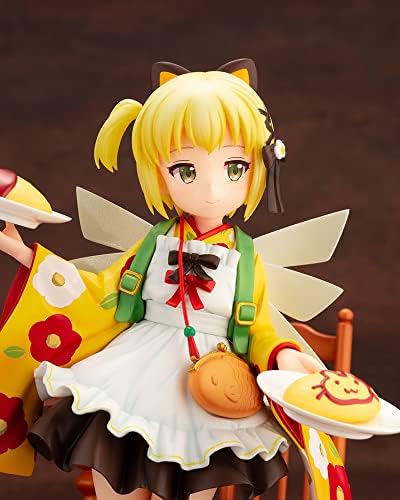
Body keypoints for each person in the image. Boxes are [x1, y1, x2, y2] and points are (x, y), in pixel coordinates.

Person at [0, 59, 327, 500]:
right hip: (136, 371)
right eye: (186, 170)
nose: (211, 189)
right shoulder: (154, 243)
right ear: (159, 172)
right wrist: (24, 253)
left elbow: (259, 328)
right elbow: (100, 293)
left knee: (194, 478)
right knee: (116, 470)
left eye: (234, 167)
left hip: (209, 381)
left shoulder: (246, 258)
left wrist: (284, 354)